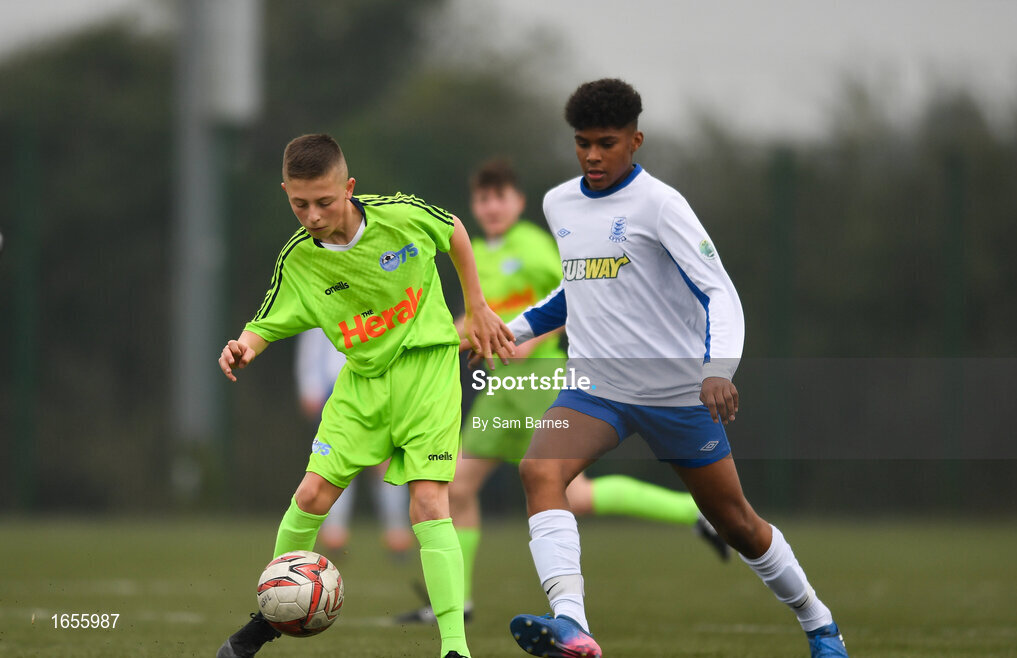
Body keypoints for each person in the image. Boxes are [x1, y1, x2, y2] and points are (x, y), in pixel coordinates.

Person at [500, 80, 849, 658]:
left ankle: (820, 625)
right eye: (582, 143)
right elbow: (572, 292)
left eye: (606, 143)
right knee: (539, 471)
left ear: (635, 141)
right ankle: (571, 624)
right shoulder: (559, 202)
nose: (591, 155)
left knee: (737, 524)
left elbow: (720, 292)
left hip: (676, 393)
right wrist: (507, 332)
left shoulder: (661, 205)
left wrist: (717, 369)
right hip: (596, 389)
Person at [215, 133, 513, 658]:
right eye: (299, 203)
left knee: (427, 503)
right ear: (286, 191)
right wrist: (244, 346)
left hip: (427, 373)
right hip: (362, 385)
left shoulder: (399, 216)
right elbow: (268, 320)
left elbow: (455, 232)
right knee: (310, 497)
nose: (311, 214)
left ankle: (454, 649)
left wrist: (478, 305)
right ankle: (267, 618)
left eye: (324, 201)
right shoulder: (299, 260)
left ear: (349, 188)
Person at [397, 158, 729, 625]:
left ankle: (696, 511)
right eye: (483, 198)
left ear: (518, 202)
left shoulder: (534, 248)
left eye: (500, 197)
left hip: (542, 382)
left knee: (577, 495)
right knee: (458, 487)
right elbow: (481, 322)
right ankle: (456, 603)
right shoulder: (479, 256)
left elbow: (577, 301)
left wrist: (524, 342)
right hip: (501, 390)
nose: (491, 207)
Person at [294, 328, 414, 556]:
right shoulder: (327, 299)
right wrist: (309, 388)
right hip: (335, 391)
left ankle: (397, 532)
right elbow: (311, 346)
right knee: (335, 464)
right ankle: (334, 533)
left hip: (379, 388)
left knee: (384, 461)